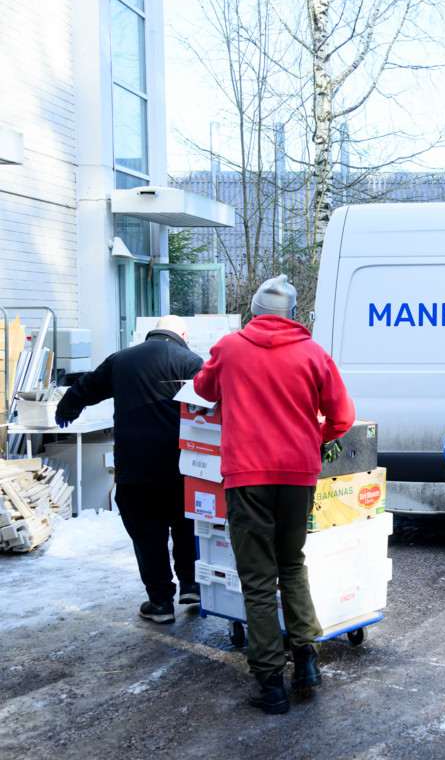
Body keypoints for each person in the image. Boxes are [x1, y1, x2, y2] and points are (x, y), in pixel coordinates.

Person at [192, 275, 354, 716]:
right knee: (292, 564)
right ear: (293, 315)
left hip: (247, 478)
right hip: (298, 475)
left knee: (259, 581)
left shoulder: (229, 349)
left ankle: (270, 684)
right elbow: (342, 417)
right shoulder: (314, 354)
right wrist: (314, 436)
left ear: (255, 311)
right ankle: (305, 661)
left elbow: (203, 391)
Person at [54, 315, 203, 624]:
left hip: (135, 468)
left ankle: (160, 602)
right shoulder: (191, 360)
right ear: (183, 335)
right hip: (182, 465)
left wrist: (65, 409)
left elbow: (86, 388)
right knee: (187, 523)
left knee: (147, 534)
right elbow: (210, 404)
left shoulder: (121, 360)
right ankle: (191, 584)